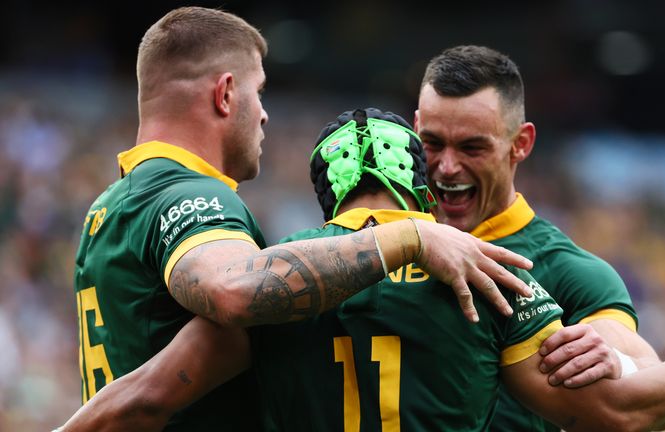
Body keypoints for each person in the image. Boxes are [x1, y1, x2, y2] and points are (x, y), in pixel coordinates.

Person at [60, 108, 665, 432]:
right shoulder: (488, 272)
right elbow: (629, 413)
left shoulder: (275, 276)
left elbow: (143, 397)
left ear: (327, 196)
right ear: (424, 190)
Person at [70, 10, 537, 431]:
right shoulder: (194, 195)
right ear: (226, 93)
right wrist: (411, 235)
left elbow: (146, 389)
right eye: (260, 92)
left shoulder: (110, 207)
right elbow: (233, 291)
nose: (265, 114)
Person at [413, 44, 665, 430]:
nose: (447, 167)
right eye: (432, 143)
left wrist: (623, 364)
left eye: (472, 146)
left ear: (521, 143)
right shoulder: (381, 244)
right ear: (414, 128)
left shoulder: (568, 272)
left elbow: (649, 397)